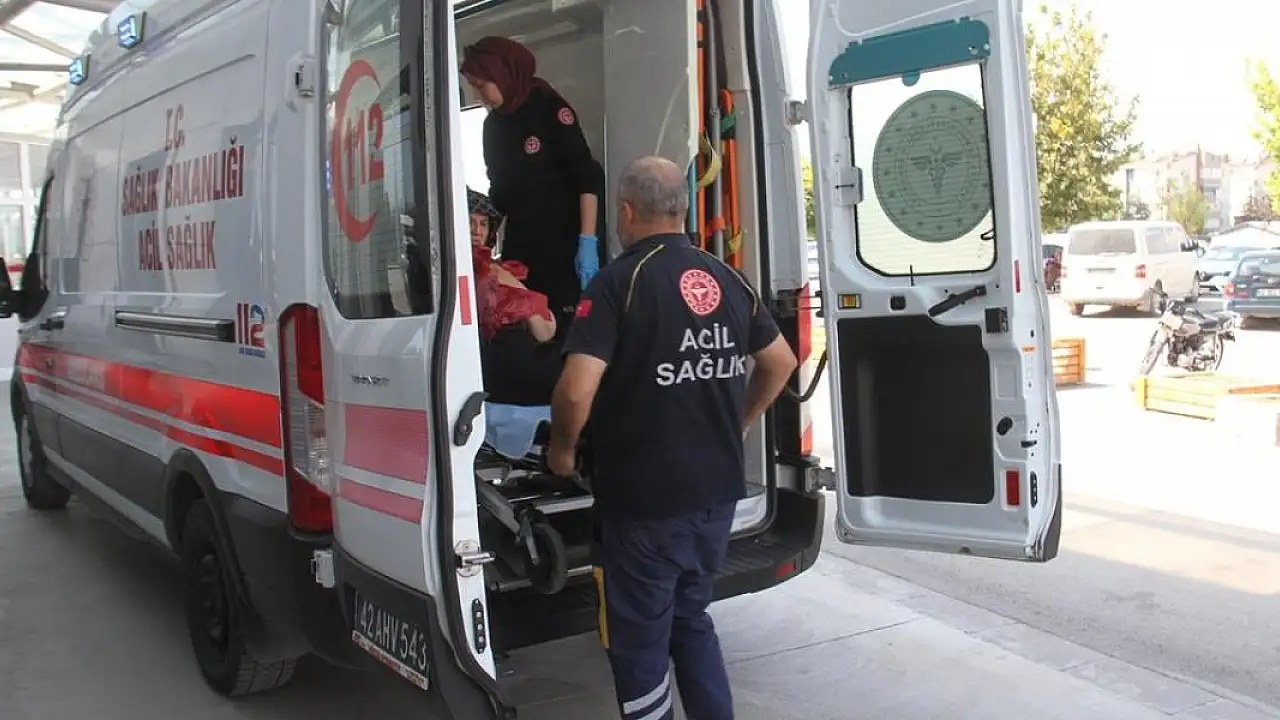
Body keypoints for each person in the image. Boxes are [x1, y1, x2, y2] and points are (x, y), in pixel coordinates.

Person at [547, 157, 797, 720]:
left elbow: (575, 390)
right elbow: (780, 362)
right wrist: (742, 420)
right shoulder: (726, 277)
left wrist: (562, 451)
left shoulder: (618, 283)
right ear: (681, 209)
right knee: (691, 619)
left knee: (638, 646)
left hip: (644, 504)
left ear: (626, 211)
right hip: (714, 497)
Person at [460, 36, 606, 327]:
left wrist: (587, 241)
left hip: (565, 244)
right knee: (529, 329)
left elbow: (587, 177)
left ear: (503, 75)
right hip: (523, 248)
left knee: (568, 328)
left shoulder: (548, 108)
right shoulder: (493, 126)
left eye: (481, 85)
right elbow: (499, 193)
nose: (478, 95)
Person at [468, 188, 564, 406]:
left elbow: (545, 328)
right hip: (505, 363)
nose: (477, 231)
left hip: (520, 357)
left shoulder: (496, 269)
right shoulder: (472, 271)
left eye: (483, 224)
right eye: (470, 222)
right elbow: (544, 330)